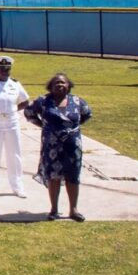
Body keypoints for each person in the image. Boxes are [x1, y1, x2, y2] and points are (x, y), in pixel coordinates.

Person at [24, 73, 92, 221]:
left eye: (63, 83)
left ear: (69, 86)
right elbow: (29, 113)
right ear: (51, 86)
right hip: (52, 146)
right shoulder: (43, 101)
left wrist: (71, 130)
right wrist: (43, 125)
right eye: (56, 83)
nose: (60, 85)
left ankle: (73, 210)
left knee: (73, 176)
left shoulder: (77, 101)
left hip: (72, 146)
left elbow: (87, 114)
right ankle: (54, 209)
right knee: (53, 176)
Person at [0, 55, 30, 197]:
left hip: (12, 122)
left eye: (7, 69)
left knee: (14, 154)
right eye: (1, 68)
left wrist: (14, 109)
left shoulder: (15, 84)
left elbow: (26, 100)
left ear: (10, 69)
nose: (4, 71)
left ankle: (17, 186)